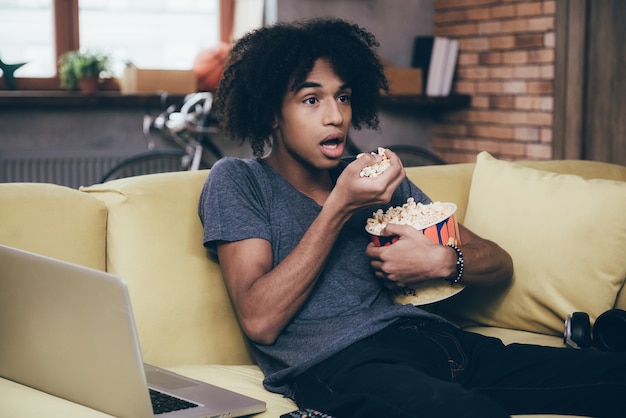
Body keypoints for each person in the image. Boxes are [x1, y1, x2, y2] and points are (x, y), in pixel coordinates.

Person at [199, 18, 626, 418]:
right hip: (345, 362)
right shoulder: (239, 181)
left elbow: (500, 264)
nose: (336, 116)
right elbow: (260, 321)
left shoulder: (375, 178)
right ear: (272, 114)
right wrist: (340, 206)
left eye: (343, 97)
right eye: (311, 99)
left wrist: (442, 262)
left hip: (444, 343)